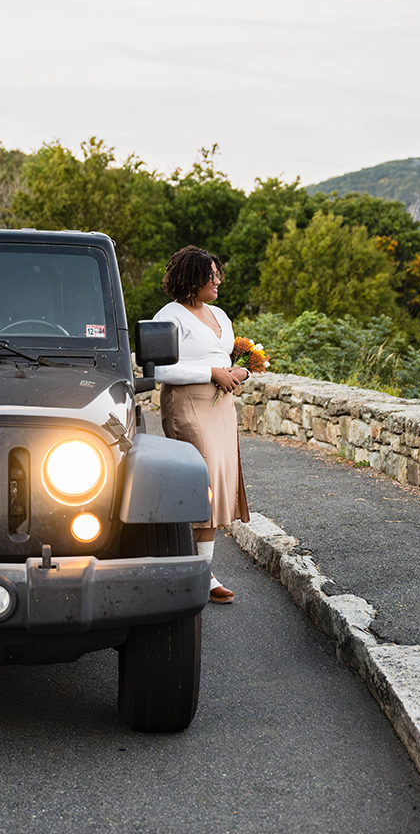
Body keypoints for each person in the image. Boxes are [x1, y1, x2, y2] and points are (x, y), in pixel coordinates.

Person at [151, 246, 250, 603]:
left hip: (222, 407)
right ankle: (199, 574)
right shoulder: (169, 316)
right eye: (212, 275)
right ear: (193, 279)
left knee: (218, 482)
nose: (218, 280)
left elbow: (227, 360)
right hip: (188, 405)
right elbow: (159, 370)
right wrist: (210, 372)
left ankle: (199, 569)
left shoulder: (220, 314)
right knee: (201, 483)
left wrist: (242, 371)